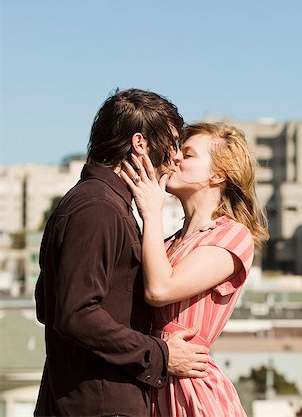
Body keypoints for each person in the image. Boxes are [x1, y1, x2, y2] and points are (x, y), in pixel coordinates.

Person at [34, 89, 210, 417]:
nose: (175, 158)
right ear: (140, 143)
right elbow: (76, 314)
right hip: (100, 406)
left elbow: (49, 306)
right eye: (172, 143)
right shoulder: (97, 208)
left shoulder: (104, 205)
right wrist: (160, 356)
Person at [121, 122, 269, 416]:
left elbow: (160, 289)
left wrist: (151, 211)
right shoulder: (167, 243)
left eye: (188, 155)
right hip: (154, 378)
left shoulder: (232, 236)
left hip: (192, 391)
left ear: (217, 175)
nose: (175, 158)